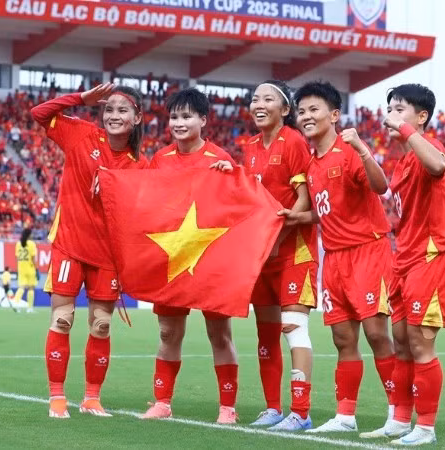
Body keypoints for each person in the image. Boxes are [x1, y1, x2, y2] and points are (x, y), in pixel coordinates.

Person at [280, 80, 396, 433]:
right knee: (343, 339)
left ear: (334, 115)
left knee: (377, 334)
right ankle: (345, 415)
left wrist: (362, 148)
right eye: (301, 111)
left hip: (367, 252)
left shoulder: (348, 152)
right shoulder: (312, 164)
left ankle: (398, 412)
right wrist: (300, 217)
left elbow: (380, 187)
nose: (306, 116)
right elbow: (328, 210)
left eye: (314, 109)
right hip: (334, 259)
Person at [31, 82, 149, 419]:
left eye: (122, 109)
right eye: (108, 108)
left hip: (109, 255)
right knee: (63, 319)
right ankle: (57, 397)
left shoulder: (141, 164)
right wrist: (81, 100)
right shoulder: (81, 134)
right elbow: (39, 114)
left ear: (137, 117)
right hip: (70, 244)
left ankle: (92, 398)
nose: (113, 115)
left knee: (100, 326)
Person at [142, 87, 240, 425]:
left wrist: (234, 178)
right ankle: (162, 402)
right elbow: (146, 203)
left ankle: (227, 407)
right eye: (174, 117)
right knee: (169, 333)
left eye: (186, 116)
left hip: (212, 257)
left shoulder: (221, 159)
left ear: (203, 119)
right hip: (172, 255)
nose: (179, 123)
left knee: (219, 333)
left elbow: (239, 204)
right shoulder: (160, 160)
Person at [373, 83, 445, 445]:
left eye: (399, 108)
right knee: (402, 343)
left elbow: (439, 165)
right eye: (389, 108)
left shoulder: (430, 148)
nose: (390, 114)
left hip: (432, 256)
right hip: (405, 260)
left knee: (421, 344)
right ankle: (399, 418)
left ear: (421, 117)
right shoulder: (405, 160)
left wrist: (407, 131)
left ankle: (425, 427)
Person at [241, 80, 318, 431]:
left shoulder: (295, 141)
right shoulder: (250, 146)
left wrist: (278, 235)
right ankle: (273, 408)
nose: (259, 104)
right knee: (266, 332)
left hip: (293, 251)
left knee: (294, 328)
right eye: (255, 99)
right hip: (262, 255)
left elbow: (305, 198)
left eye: (268, 98)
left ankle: (300, 411)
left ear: (285, 110)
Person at [14, 228, 38, 313]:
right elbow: (33, 258)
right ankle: (30, 308)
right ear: (29, 235)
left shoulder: (18, 244)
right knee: (31, 288)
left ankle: (16, 304)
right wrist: (36, 268)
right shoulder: (32, 244)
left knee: (21, 287)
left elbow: (17, 257)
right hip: (30, 268)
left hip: (21, 268)